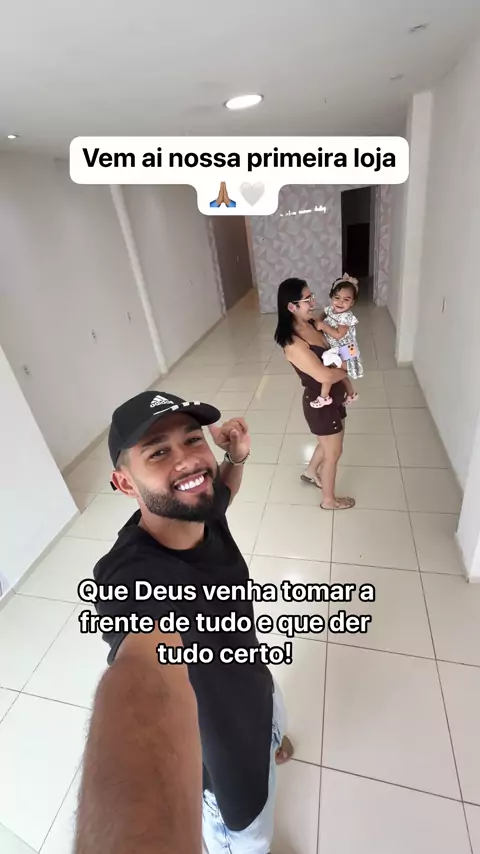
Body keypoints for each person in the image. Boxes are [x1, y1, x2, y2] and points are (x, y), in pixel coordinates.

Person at [75, 391, 292, 854]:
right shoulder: (131, 577)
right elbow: (141, 676)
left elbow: (222, 491)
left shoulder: (199, 507)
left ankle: (273, 740)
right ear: (125, 483)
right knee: (253, 841)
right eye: (158, 452)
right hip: (226, 757)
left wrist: (235, 456)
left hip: (258, 686)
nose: (190, 461)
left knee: (274, 721)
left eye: (193, 439)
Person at [274, 279, 355, 510]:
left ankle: (310, 472)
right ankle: (329, 501)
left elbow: (334, 315)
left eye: (312, 297)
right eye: (307, 299)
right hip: (321, 404)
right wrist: (349, 366)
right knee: (333, 453)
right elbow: (324, 376)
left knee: (328, 444)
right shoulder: (293, 343)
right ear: (291, 306)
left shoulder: (311, 322)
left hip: (334, 398)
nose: (313, 303)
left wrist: (347, 288)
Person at [310, 273, 363, 407]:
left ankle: (324, 397)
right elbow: (321, 315)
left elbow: (339, 335)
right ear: (331, 297)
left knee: (330, 370)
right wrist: (316, 321)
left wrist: (323, 326)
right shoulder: (331, 309)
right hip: (339, 348)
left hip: (347, 349)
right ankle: (351, 393)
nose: (340, 302)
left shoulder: (345, 317)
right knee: (340, 373)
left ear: (352, 302)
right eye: (337, 298)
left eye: (346, 299)